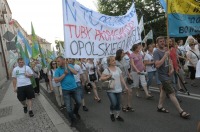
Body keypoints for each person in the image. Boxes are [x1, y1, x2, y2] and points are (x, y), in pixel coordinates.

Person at [153, 36, 190, 119]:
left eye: (163, 41)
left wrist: (172, 69)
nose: (163, 42)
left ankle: (159, 106)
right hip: (162, 76)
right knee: (172, 93)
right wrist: (165, 56)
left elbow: (169, 61)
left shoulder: (166, 50)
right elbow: (157, 65)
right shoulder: (156, 52)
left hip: (168, 74)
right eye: (160, 41)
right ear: (157, 43)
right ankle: (181, 111)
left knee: (163, 91)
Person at [54, 56, 81, 127]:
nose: (57, 63)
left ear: (63, 60)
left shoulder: (70, 65)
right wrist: (64, 74)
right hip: (66, 91)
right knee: (68, 108)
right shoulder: (57, 70)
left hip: (74, 88)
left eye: (58, 61)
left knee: (79, 102)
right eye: (57, 61)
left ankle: (75, 112)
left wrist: (68, 66)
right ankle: (73, 120)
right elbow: (56, 80)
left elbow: (75, 73)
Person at [100, 56, 128, 122]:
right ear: (109, 62)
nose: (114, 61)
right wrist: (107, 77)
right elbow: (101, 78)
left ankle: (117, 115)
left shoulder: (118, 68)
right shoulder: (107, 70)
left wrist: (125, 86)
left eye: (114, 60)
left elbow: (121, 78)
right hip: (110, 90)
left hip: (119, 89)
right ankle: (111, 113)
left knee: (118, 103)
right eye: (112, 60)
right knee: (114, 103)